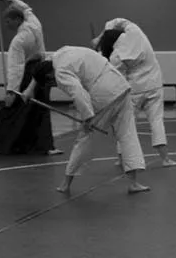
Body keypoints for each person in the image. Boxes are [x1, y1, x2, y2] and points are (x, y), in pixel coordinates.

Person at [40, 46, 150, 195]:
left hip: (104, 92)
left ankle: (66, 183)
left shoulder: (60, 72)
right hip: (120, 84)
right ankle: (134, 183)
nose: (55, 85)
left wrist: (88, 117)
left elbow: (78, 93)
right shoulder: (61, 53)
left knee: (85, 137)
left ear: (49, 75)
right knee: (127, 134)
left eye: (51, 83)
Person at [97, 19, 176, 168]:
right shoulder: (135, 32)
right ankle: (165, 159)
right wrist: (102, 34)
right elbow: (115, 21)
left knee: (126, 125)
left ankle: (121, 159)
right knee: (156, 121)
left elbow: (111, 73)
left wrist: (100, 46)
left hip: (134, 89)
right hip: (154, 84)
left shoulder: (115, 55)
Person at [0, 0, 56, 157]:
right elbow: (25, 7)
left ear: (17, 20)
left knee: (13, 107)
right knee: (39, 109)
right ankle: (43, 146)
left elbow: (16, 67)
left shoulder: (20, 40)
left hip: (28, 72)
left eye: (8, 21)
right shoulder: (33, 22)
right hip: (42, 70)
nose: (7, 25)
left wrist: (11, 91)